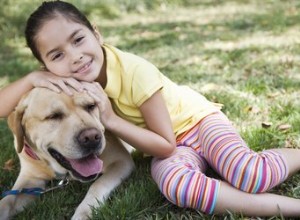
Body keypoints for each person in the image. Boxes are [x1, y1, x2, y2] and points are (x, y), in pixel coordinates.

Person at [1, 1, 300, 217]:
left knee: (249, 173)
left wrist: (109, 120)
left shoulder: (135, 72)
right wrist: (30, 79)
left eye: (79, 40)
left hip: (196, 123)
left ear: (97, 34)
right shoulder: (63, 85)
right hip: (162, 149)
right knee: (177, 187)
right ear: (47, 67)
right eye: (58, 54)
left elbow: (166, 143)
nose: (76, 57)